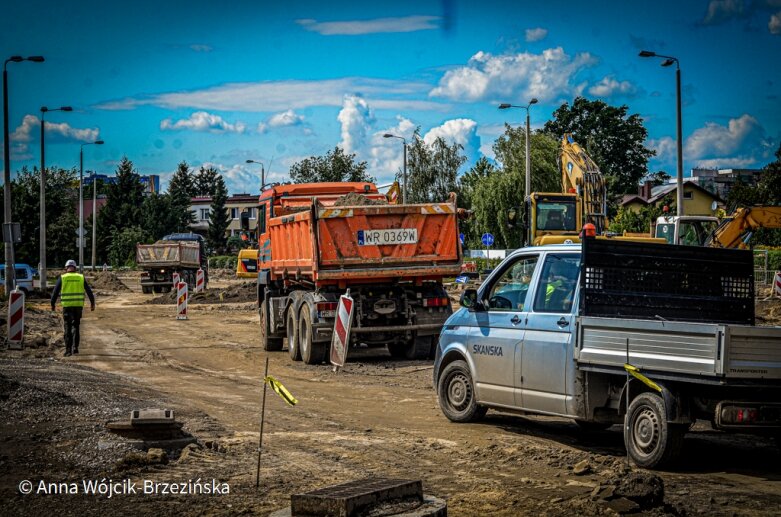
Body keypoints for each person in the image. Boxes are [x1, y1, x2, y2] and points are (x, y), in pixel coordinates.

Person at [51, 260, 95, 356]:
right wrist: (92, 303)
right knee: (76, 326)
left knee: (68, 327)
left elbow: (54, 293)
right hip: (78, 306)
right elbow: (89, 291)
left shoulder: (62, 278)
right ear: (75, 268)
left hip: (67, 306)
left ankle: (68, 350)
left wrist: (52, 304)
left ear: (66, 268)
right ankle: (75, 348)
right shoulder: (80, 277)